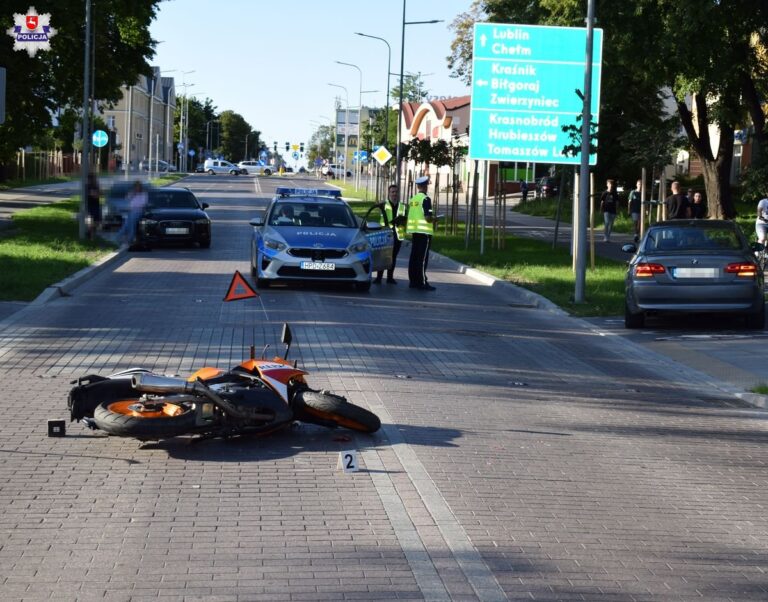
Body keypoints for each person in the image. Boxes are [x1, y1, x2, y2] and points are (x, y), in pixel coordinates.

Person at [407, 176, 438, 290]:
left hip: (415, 231)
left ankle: (413, 281)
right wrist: (435, 219)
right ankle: (422, 282)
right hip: (424, 232)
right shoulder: (426, 199)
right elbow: (427, 217)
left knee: (414, 257)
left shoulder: (413, 199)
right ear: (425, 186)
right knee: (423, 258)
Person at [375, 184, 405, 284]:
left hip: (397, 235)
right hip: (386, 234)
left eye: (396, 192)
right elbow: (377, 206)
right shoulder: (384, 204)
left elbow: (406, 219)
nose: (394, 194)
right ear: (389, 193)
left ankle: (390, 278)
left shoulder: (403, 206)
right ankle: (379, 278)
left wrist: (402, 221)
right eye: (392, 192)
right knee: (383, 256)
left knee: (393, 257)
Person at [120, 180, 147, 245]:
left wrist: (134, 206)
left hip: (138, 211)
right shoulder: (133, 193)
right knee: (126, 225)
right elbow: (127, 198)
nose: (137, 188)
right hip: (131, 211)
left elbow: (143, 203)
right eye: (135, 187)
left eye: (138, 187)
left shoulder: (143, 194)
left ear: (140, 187)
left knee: (132, 224)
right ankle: (118, 238)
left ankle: (130, 239)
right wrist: (132, 194)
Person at [85, 172, 102, 240]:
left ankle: (90, 233)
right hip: (90, 205)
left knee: (97, 221)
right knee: (91, 221)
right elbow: (95, 195)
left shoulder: (96, 186)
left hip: (96, 204)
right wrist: (97, 193)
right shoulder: (89, 186)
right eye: (94, 178)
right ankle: (90, 235)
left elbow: (100, 193)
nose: (95, 179)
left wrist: (98, 192)